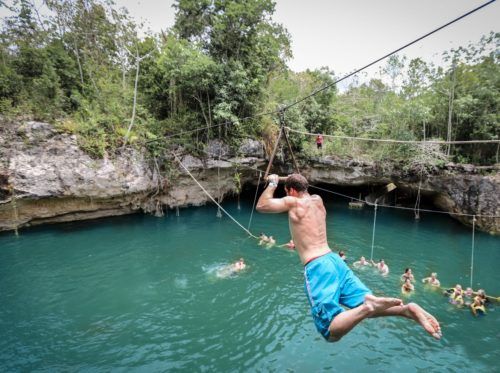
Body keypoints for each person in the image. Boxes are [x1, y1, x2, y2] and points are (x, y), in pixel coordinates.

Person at [256, 173, 441, 342]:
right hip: (335, 261)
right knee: (363, 308)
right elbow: (302, 190)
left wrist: (273, 182)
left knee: (330, 331)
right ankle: (406, 310)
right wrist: (289, 180)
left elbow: (262, 206)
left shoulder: (293, 202)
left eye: (288, 191)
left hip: (318, 266)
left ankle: (368, 306)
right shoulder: (317, 200)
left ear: (291, 191)